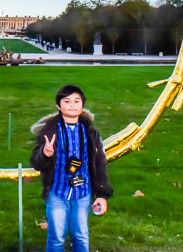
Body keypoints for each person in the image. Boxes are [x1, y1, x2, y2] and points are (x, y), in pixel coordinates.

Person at [30, 85, 113, 252]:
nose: (72, 105)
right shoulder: (50, 132)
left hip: (82, 194)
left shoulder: (91, 133)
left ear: (82, 105)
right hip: (57, 194)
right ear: (58, 107)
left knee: (81, 236)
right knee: (56, 237)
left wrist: (102, 194)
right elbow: (36, 163)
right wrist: (45, 153)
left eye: (77, 101)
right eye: (66, 101)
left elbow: (99, 163)